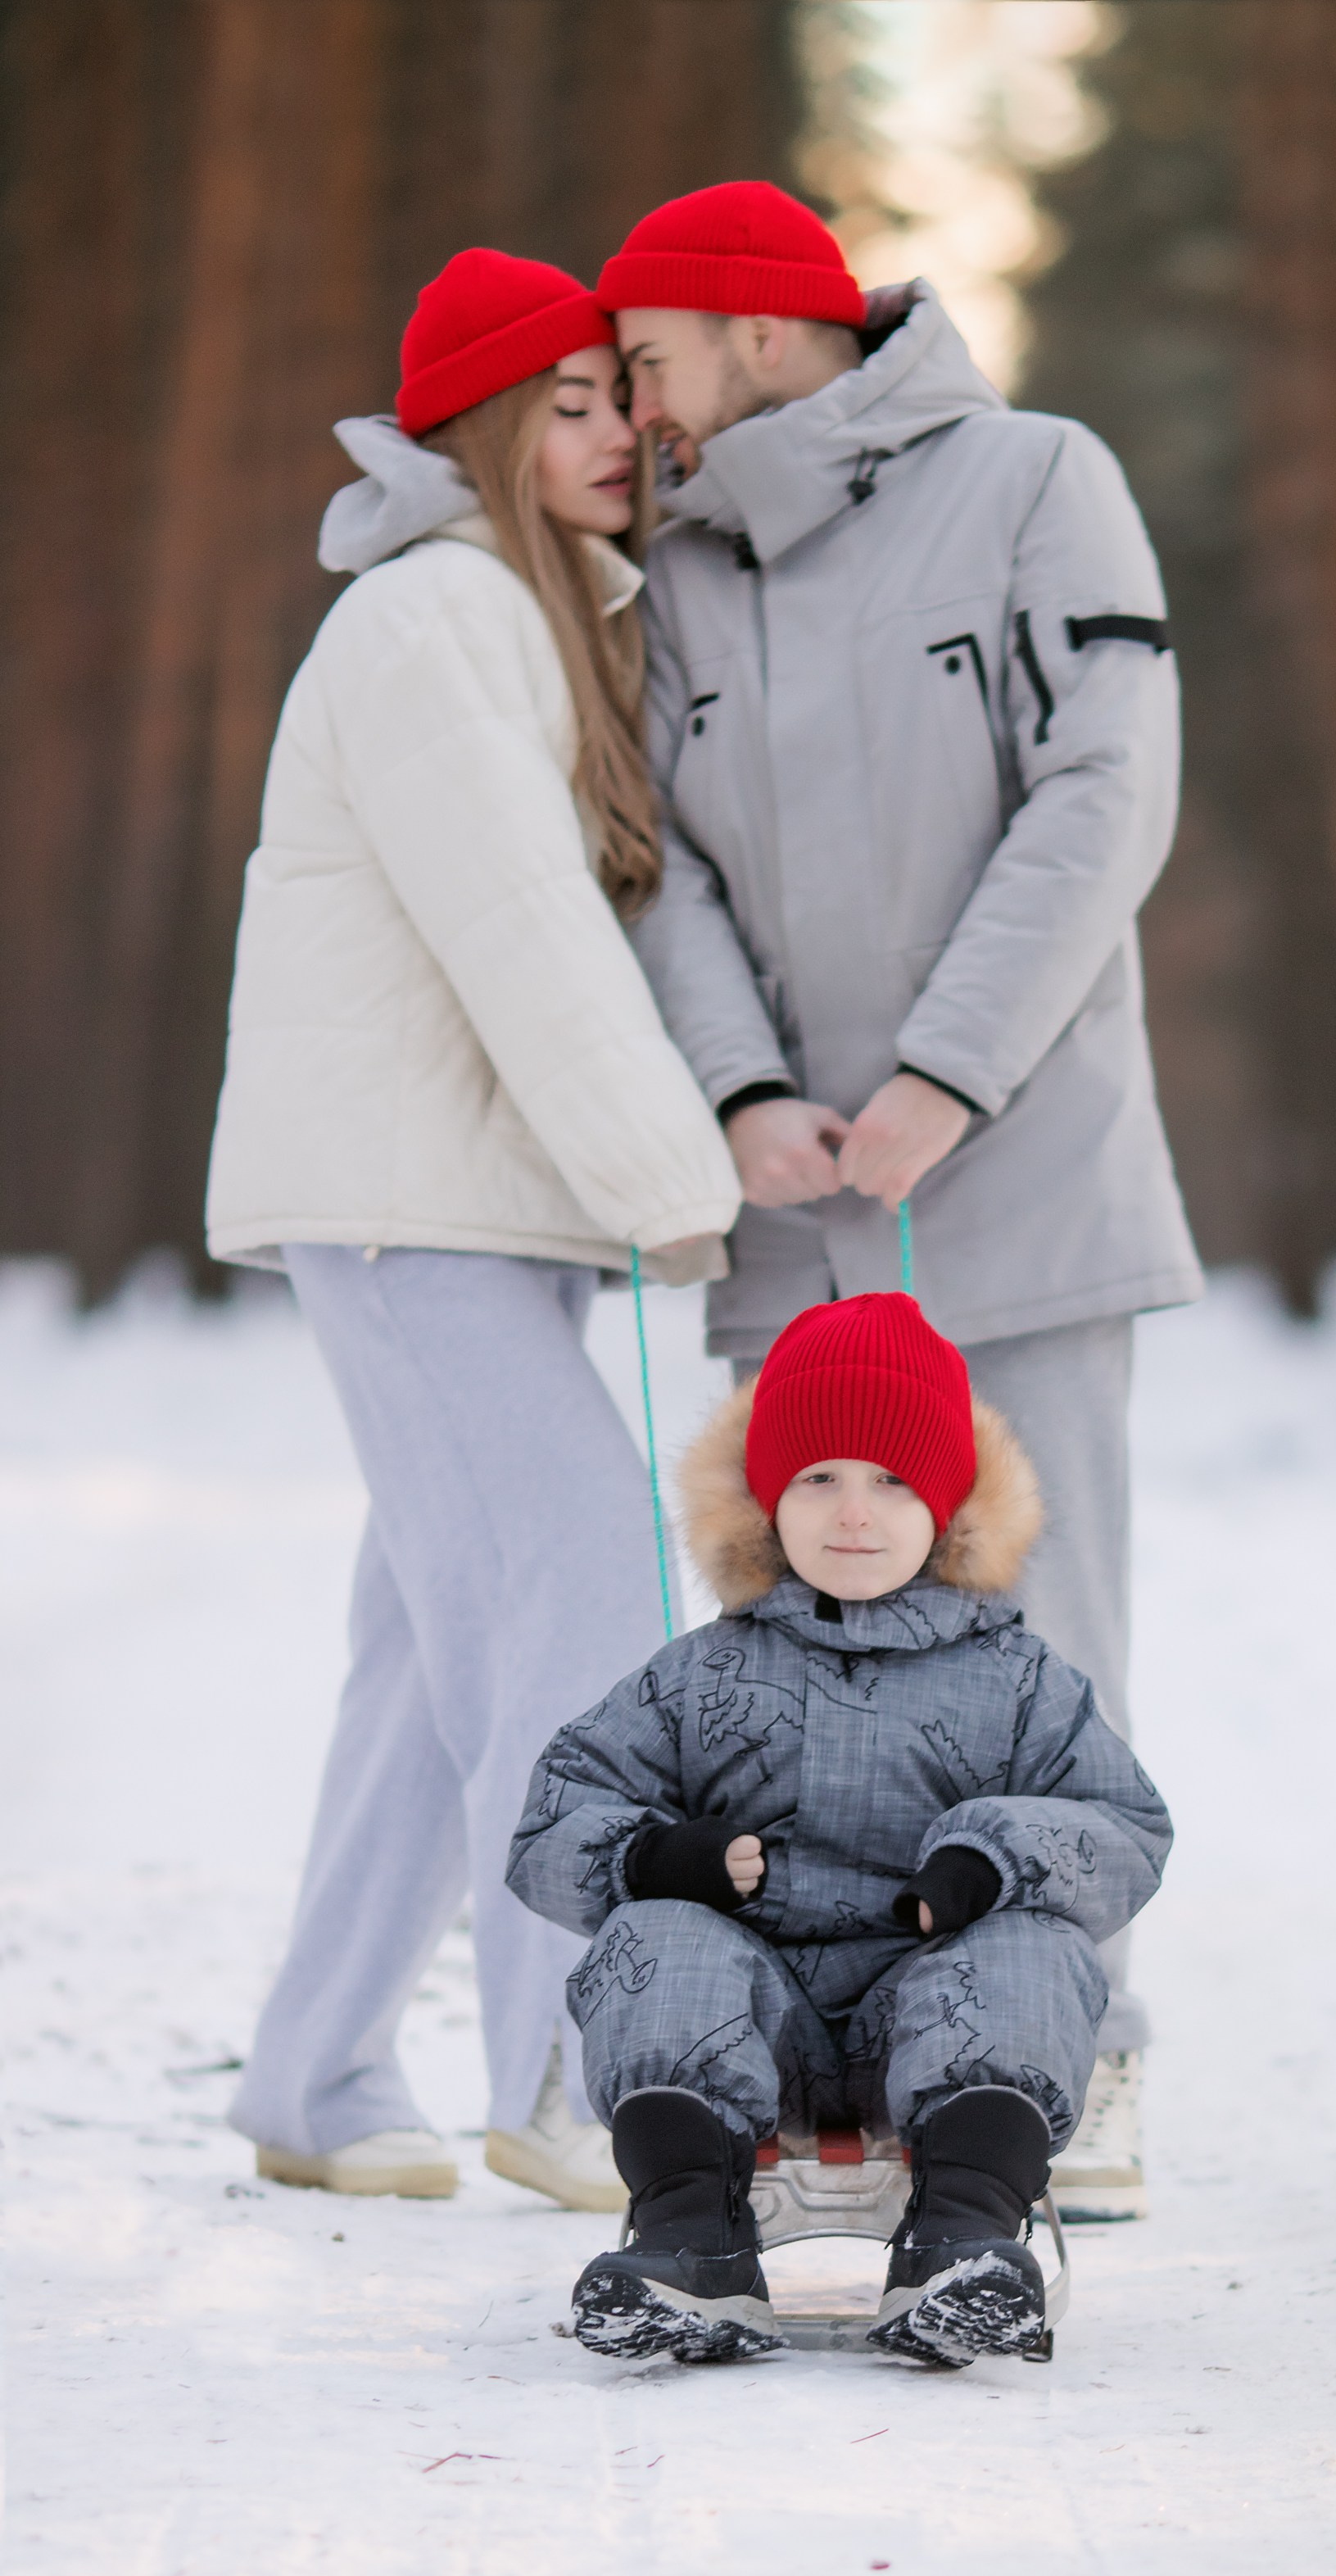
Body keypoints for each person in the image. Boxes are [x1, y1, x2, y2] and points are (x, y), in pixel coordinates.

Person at [597, 182, 1205, 2220]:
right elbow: (657, 864)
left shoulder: (1039, 480)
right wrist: (746, 1091)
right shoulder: (670, 569)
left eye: (653, 357)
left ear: (758, 327)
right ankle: (821, 2078)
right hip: (794, 1202)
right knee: (785, 1647)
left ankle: (1075, 2054)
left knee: (1039, 1623)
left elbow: (1103, 789)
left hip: (1013, 1165)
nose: (636, 406)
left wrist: (948, 1070)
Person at [205, 249, 740, 2209]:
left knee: (434, 1648)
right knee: (583, 1568)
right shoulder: (438, 616)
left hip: (455, 1206)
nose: (622, 433)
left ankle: (318, 2069)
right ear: (488, 429)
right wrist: (681, 1190)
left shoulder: (534, 619)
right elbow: (525, 938)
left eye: (628, 396)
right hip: (395, 1202)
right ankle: (570, 2070)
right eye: (578, 401)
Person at [507, 1293, 1172, 2365]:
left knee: (1032, 1954)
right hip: (748, 2011)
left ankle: (962, 2239)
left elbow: (1125, 1826)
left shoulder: (1018, 1680)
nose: (852, 1513)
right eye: (817, 1478)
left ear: (952, 1505)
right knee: (654, 1943)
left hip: (939, 2006)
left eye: (893, 1480)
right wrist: (654, 1855)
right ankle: (690, 2243)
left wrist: (994, 1853)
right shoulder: (700, 1674)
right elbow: (553, 1818)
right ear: (766, 1499)